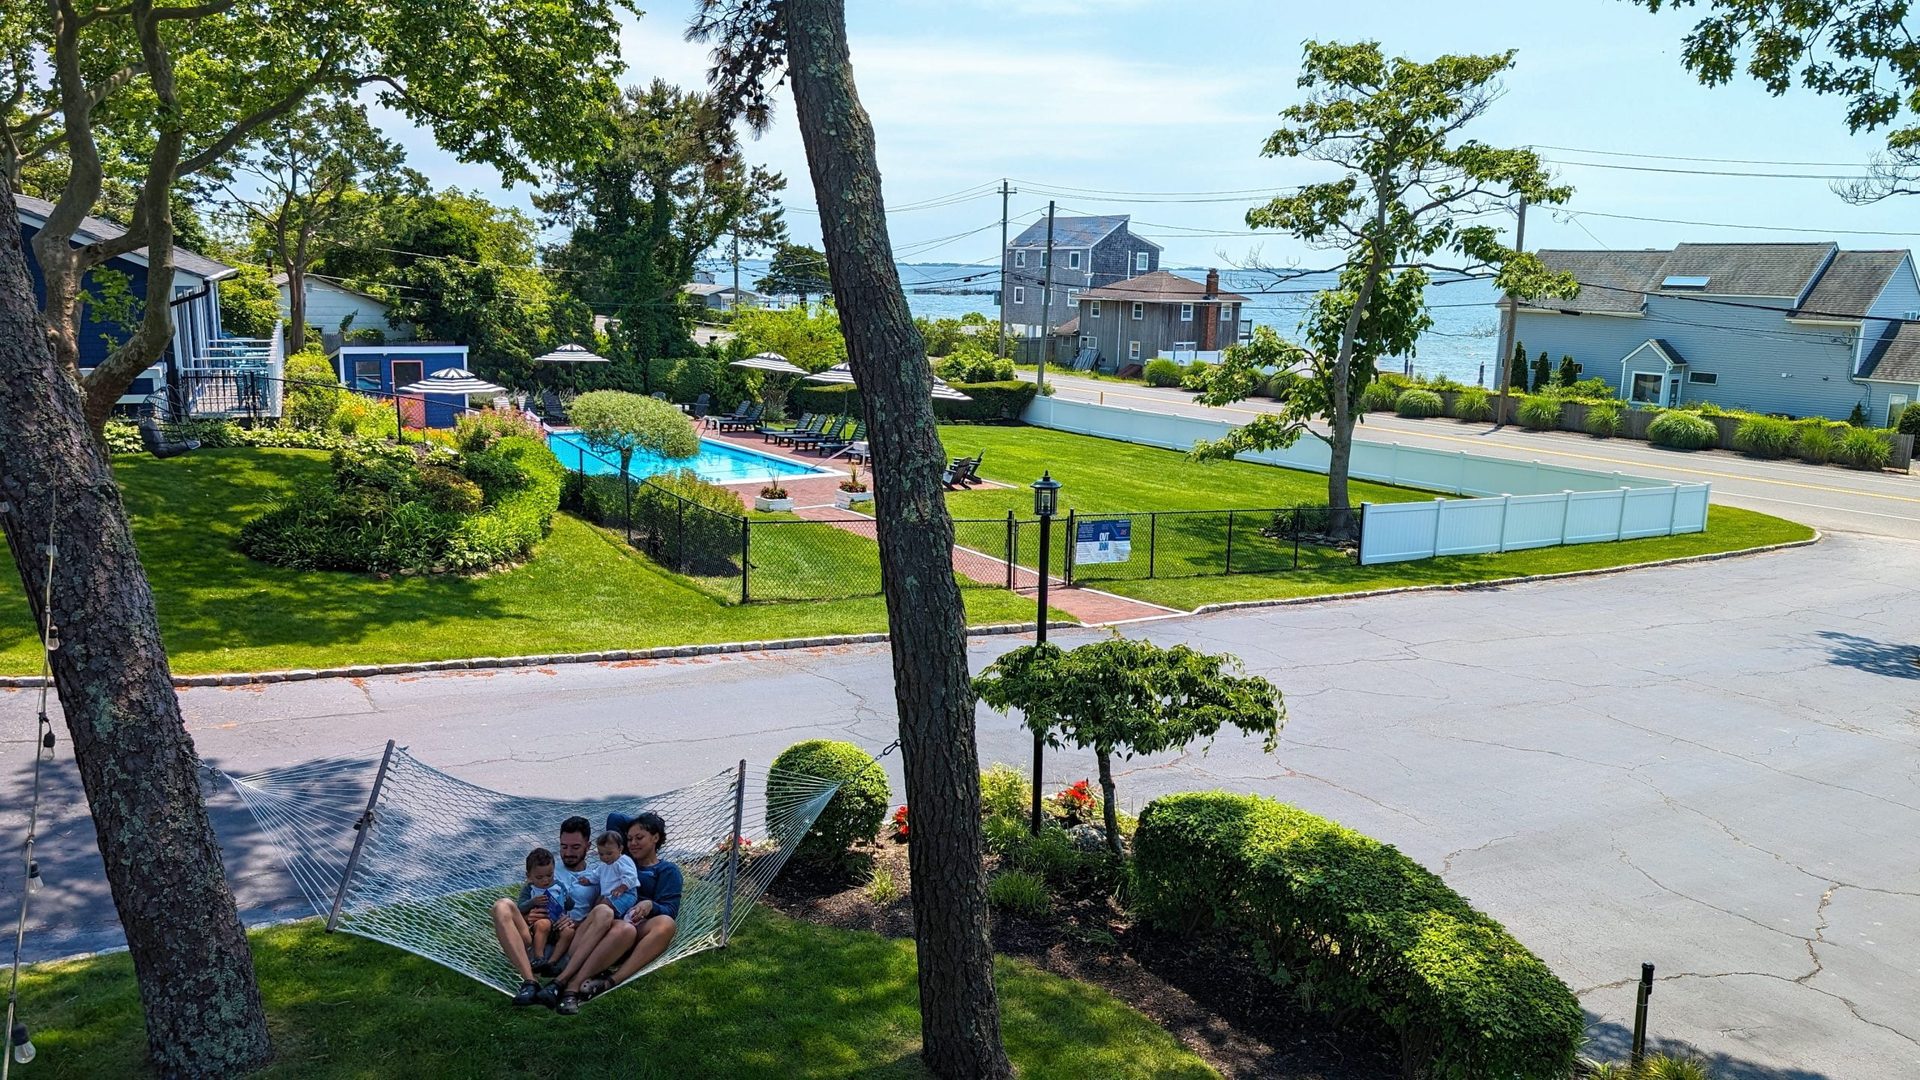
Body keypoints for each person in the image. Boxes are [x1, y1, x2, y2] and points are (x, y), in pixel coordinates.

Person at [547, 811, 682, 1015]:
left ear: (656, 838)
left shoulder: (667, 870)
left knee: (666, 924)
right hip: (611, 923)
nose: (633, 843)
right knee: (622, 927)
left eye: (640, 838)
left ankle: (609, 981)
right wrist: (642, 825)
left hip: (639, 925)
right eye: (629, 839)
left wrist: (650, 905)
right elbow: (615, 818)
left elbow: (670, 910)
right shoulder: (617, 860)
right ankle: (572, 984)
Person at [495, 816, 598, 1006]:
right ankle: (530, 982)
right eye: (563, 846)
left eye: (575, 847)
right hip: (536, 935)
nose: (568, 853)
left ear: (588, 846)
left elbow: (599, 916)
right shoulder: (546, 868)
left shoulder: (597, 876)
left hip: (571, 941)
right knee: (501, 905)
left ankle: (550, 969)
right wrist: (527, 916)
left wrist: (577, 923)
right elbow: (523, 903)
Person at [515, 848, 572, 974]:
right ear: (529, 876)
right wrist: (533, 902)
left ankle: (552, 962)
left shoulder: (558, 885)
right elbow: (519, 908)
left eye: (549, 875)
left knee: (568, 932)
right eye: (539, 877)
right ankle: (539, 958)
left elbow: (569, 905)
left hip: (558, 924)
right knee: (543, 924)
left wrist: (567, 899)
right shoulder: (529, 889)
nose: (545, 880)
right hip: (540, 925)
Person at [590, 830, 640, 918]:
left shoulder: (623, 861)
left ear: (620, 849)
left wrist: (622, 888)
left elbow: (631, 876)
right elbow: (596, 875)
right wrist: (588, 880)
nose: (605, 857)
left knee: (603, 906)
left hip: (626, 893)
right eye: (601, 854)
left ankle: (628, 916)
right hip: (611, 895)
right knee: (596, 904)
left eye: (609, 853)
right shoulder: (603, 866)